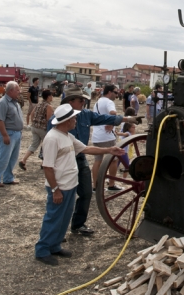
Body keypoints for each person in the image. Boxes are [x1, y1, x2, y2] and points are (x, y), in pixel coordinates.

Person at [35, 104, 126, 266]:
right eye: (74, 118)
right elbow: (47, 167)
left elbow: (86, 149)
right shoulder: (52, 138)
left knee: (64, 217)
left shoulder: (67, 136)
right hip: (60, 187)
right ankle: (42, 249)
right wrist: (55, 189)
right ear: (67, 121)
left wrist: (110, 150)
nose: (76, 120)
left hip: (70, 186)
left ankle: (55, 246)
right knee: (53, 217)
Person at [46, 85, 136, 235]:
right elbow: (50, 145)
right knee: (61, 199)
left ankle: (78, 225)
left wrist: (126, 118)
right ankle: (55, 234)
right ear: (70, 101)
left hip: (80, 159)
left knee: (86, 192)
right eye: (80, 100)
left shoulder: (86, 114)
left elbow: (104, 118)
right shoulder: (56, 120)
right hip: (62, 162)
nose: (83, 102)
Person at [0, 81, 24, 187]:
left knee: (12, 158)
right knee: (3, 157)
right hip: (8, 133)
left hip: (16, 134)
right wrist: (4, 135)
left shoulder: (15, 102)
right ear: (11, 91)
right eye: (17, 90)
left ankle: (8, 178)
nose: (19, 92)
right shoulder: (2, 103)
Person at [92, 85, 124, 192]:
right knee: (113, 160)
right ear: (109, 92)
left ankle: (95, 186)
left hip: (96, 135)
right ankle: (111, 184)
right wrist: (112, 123)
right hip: (107, 135)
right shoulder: (109, 102)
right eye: (115, 93)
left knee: (97, 161)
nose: (116, 95)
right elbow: (113, 113)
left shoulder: (97, 102)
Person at [18, 90, 54, 170]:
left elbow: (32, 114)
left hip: (34, 127)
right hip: (43, 128)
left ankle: (23, 160)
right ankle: (44, 163)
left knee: (34, 145)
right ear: (48, 96)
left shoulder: (38, 104)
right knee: (47, 145)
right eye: (51, 95)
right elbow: (49, 119)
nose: (52, 97)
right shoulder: (49, 106)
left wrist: (34, 123)